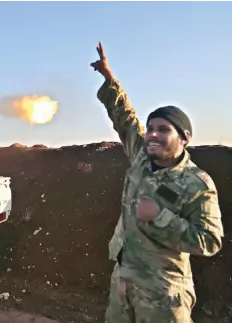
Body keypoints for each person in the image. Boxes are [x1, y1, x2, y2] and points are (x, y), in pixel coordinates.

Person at [90, 42, 224, 322]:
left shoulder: (197, 183)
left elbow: (209, 240)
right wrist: (109, 78)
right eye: (151, 129)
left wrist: (160, 217)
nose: (152, 135)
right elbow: (125, 118)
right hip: (123, 282)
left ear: (184, 138)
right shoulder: (141, 156)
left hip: (162, 293)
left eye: (164, 129)